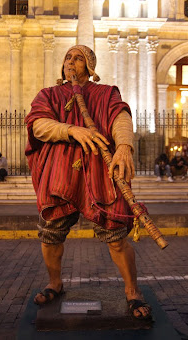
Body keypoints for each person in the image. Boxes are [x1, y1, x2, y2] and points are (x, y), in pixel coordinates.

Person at [25, 45, 151, 319]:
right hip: (60, 171)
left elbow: (120, 117)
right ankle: (54, 283)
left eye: (78, 58)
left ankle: (132, 292)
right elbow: (38, 125)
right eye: (68, 57)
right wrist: (70, 129)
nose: (71, 61)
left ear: (90, 66)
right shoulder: (49, 94)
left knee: (116, 234)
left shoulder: (106, 93)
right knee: (51, 231)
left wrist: (124, 147)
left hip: (98, 169)